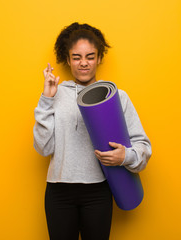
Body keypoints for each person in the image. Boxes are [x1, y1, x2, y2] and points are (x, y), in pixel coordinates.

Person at [33, 22, 152, 240]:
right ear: (67, 60)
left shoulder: (117, 96)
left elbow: (143, 147)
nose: (84, 63)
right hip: (59, 192)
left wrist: (125, 156)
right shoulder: (55, 95)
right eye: (76, 57)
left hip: (98, 192)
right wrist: (46, 100)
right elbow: (43, 148)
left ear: (99, 58)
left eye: (90, 56)